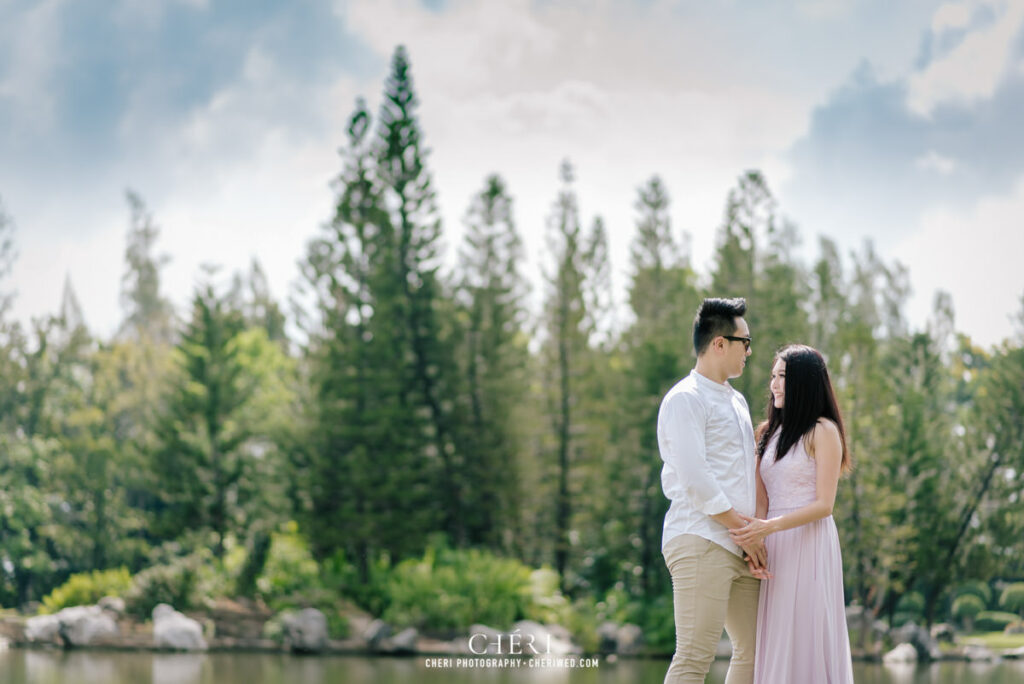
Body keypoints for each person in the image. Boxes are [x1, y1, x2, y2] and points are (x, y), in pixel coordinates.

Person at [657, 297, 769, 684]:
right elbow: (695, 478)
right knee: (694, 657)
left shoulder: (736, 400)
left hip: (737, 544)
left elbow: (741, 476)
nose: (750, 351)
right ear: (720, 343)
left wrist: (752, 534)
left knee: (756, 652)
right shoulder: (686, 399)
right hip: (700, 538)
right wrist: (745, 532)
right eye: (746, 342)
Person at [729, 344, 854, 683]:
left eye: (783, 376)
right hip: (773, 543)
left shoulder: (823, 431)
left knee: (808, 633)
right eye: (773, 376)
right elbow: (761, 500)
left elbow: (824, 504)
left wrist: (769, 527)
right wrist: (754, 546)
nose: (774, 384)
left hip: (810, 543)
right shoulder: (766, 433)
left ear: (804, 382)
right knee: (776, 637)